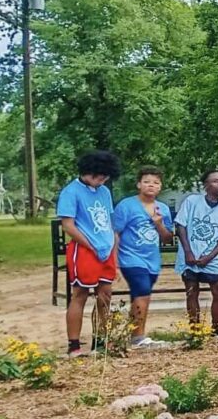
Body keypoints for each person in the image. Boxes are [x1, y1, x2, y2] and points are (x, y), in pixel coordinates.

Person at [58, 151, 121, 355]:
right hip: (84, 249)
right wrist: (90, 245)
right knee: (81, 294)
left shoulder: (104, 192)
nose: (102, 179)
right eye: (98, 175)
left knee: (105, 295)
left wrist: (112, 249)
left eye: (106, 176)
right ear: (87, 171)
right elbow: (68, 225)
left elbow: (109, 223)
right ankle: (74, 345)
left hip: (105, 249)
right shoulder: (71, 191)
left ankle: (100, 341)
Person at [112, 166, 173, 349]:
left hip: (152, 260)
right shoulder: (126, 205)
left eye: (155, 182)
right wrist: (114, 263)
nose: (151, 186)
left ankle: (134, 334)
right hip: (130, 257)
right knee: (142, 290)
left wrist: (159, 223)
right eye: (146, 181)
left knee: (142, 295)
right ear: (139, 184)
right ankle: (138, 337)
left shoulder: (162, 208)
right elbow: (116, 234)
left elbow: (167, 238)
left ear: (160, 186)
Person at [175, 169, 218, 335]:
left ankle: (216, 329)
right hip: (190, 252)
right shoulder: (192, 202)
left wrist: (209, 257)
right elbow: (181, 226)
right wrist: (188, 252)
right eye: (216, 181)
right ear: (206, 185)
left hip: (211, 255)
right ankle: (195, 330)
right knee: (192, 290)